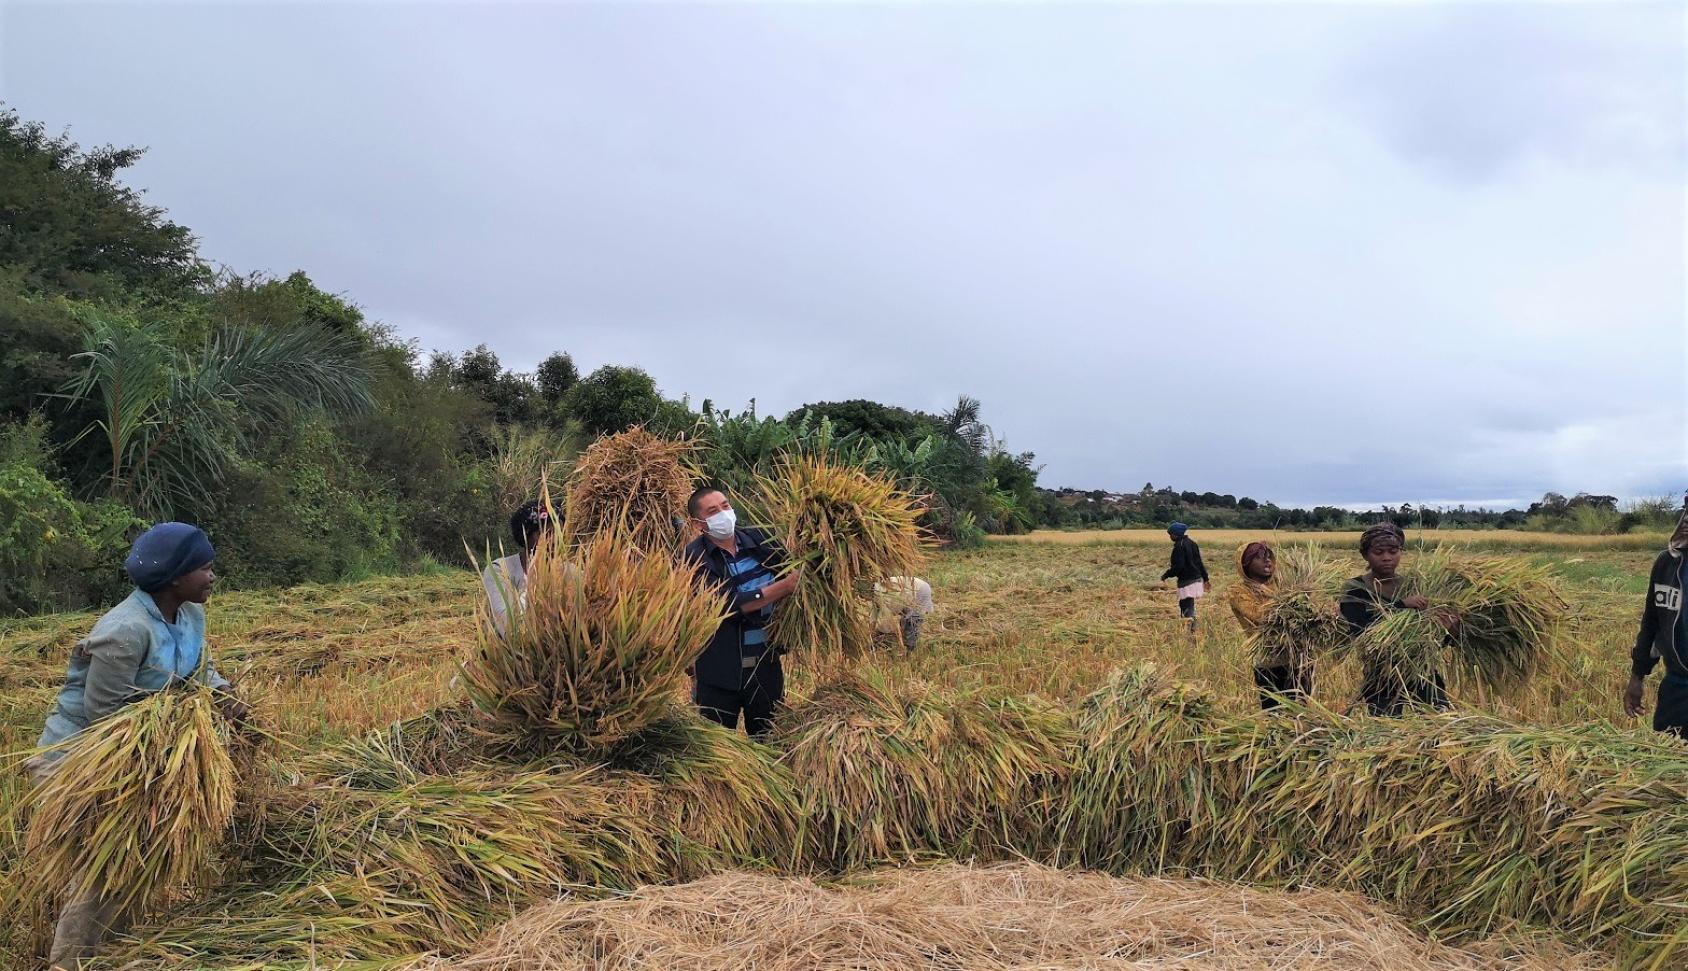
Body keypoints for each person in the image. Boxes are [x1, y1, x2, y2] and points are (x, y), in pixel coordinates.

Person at [28, 522, 248, 970]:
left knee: (139, 860)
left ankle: (112, 955)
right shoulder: (125, 630)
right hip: (78, 759)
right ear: (174, 578)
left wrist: (227, 697)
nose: (212, 576)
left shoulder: (189, 615)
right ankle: (71, 963)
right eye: (204, 568)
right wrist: (164, 758)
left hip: (138, 753)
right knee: (104, 868)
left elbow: (198, 668)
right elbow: (104, 714)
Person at [681, 485, 800, 739]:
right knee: (717, 747)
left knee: (770, 741)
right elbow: (725, 605)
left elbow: (794, 568)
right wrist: (784, 587)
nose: (723, 514)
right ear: (698, 523)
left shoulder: (759, 541)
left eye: (725, 506)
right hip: (719, 671)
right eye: (713, 511)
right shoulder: (694, 557)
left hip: (765, 666)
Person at [1339, 522, 1455, 716]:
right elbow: (1360, 630)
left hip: (1421, 668)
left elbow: (1431, 636)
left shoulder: (1414, 585)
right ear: (1365, 555)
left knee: (1437, 723)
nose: (1387, 558)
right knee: (1386, 730)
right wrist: (1401, 605)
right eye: (1379, 552)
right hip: (1381, 672)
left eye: (1393, 551)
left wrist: (1448, 629)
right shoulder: (1355, 589)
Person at [1623, 498, 1688, 738]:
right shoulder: (1668, 564)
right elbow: (1652, 622)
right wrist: (1637, 676)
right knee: (1666, 770)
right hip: (1677, 693)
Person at [1228, 541, 1312, 709]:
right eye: (1259, 558)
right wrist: (1290, 600)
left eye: (1269, 556)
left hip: (1299, 657)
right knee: (1274, 714)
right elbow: (1261, 616)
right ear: (1245, 564)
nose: (1267, 561)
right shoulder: (1238, 591)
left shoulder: (1284, 584)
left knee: (1301, 711)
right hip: (1269, 661)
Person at [481, 499, 554, 638]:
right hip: (511, 654)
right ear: (527, 536)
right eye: (548, 533)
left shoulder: (570, 572)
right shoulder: (500, 569)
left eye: (560, 532)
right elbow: (508, 626)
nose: (556, 539)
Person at [1160, 522, 1209, 631]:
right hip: (1196, 579)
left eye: (1171, 534)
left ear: (1176, 534)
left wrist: (1166, 575)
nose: (1170, 537)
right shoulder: (1192, 543)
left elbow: (1178, 566)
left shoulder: (1179, 546)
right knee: (1188, 603)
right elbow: (1199, 563)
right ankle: (1190, 627)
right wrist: (1205, 578)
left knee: (1186, 605)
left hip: (1186, 580)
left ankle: (1190, 629)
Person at [872, 576, 934, 652]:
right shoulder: (876, 592)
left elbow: (887, 616)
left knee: (912, 621)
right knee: (905, 619)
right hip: (909, 592)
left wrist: (880, 632)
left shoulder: (880, 593)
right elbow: (873, 616)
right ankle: (905, 644)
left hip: (919, 590)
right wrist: (871, 632)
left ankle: (910, 650)